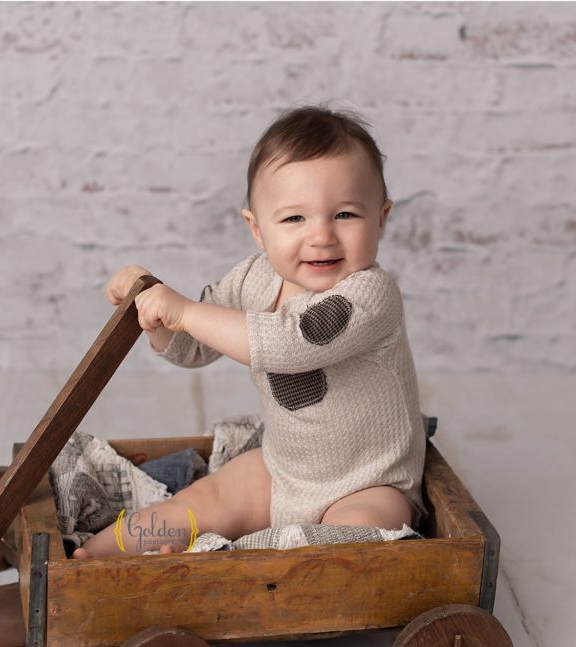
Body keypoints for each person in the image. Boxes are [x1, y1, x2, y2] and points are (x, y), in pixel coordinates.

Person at [72, 105, 426, 559]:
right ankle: (89, 562)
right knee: (201, 501)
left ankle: (222, 567)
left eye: (345, 215)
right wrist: (155, 315)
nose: (321, 236)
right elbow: (192, 346)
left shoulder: (371, 295)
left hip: (369, 482)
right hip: (284, 472)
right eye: (294, 218)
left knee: (352, 539)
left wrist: (183, 310)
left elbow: (288, 342)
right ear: (257, 230)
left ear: (382, 217)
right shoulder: (252, 280)